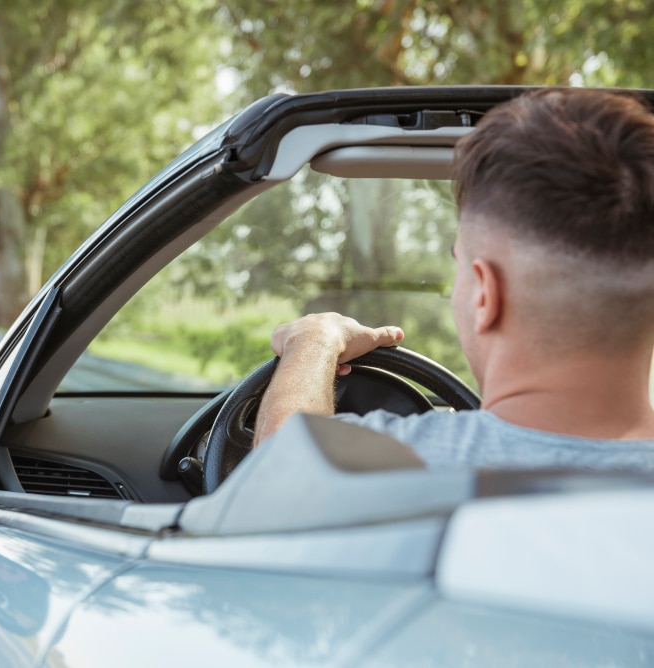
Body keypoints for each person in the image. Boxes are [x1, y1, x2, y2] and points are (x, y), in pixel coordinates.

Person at [253, 88, 654, 470]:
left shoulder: (394, 466)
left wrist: (313, 341)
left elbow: (273, 471)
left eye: (458, 263)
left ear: (485, 294)